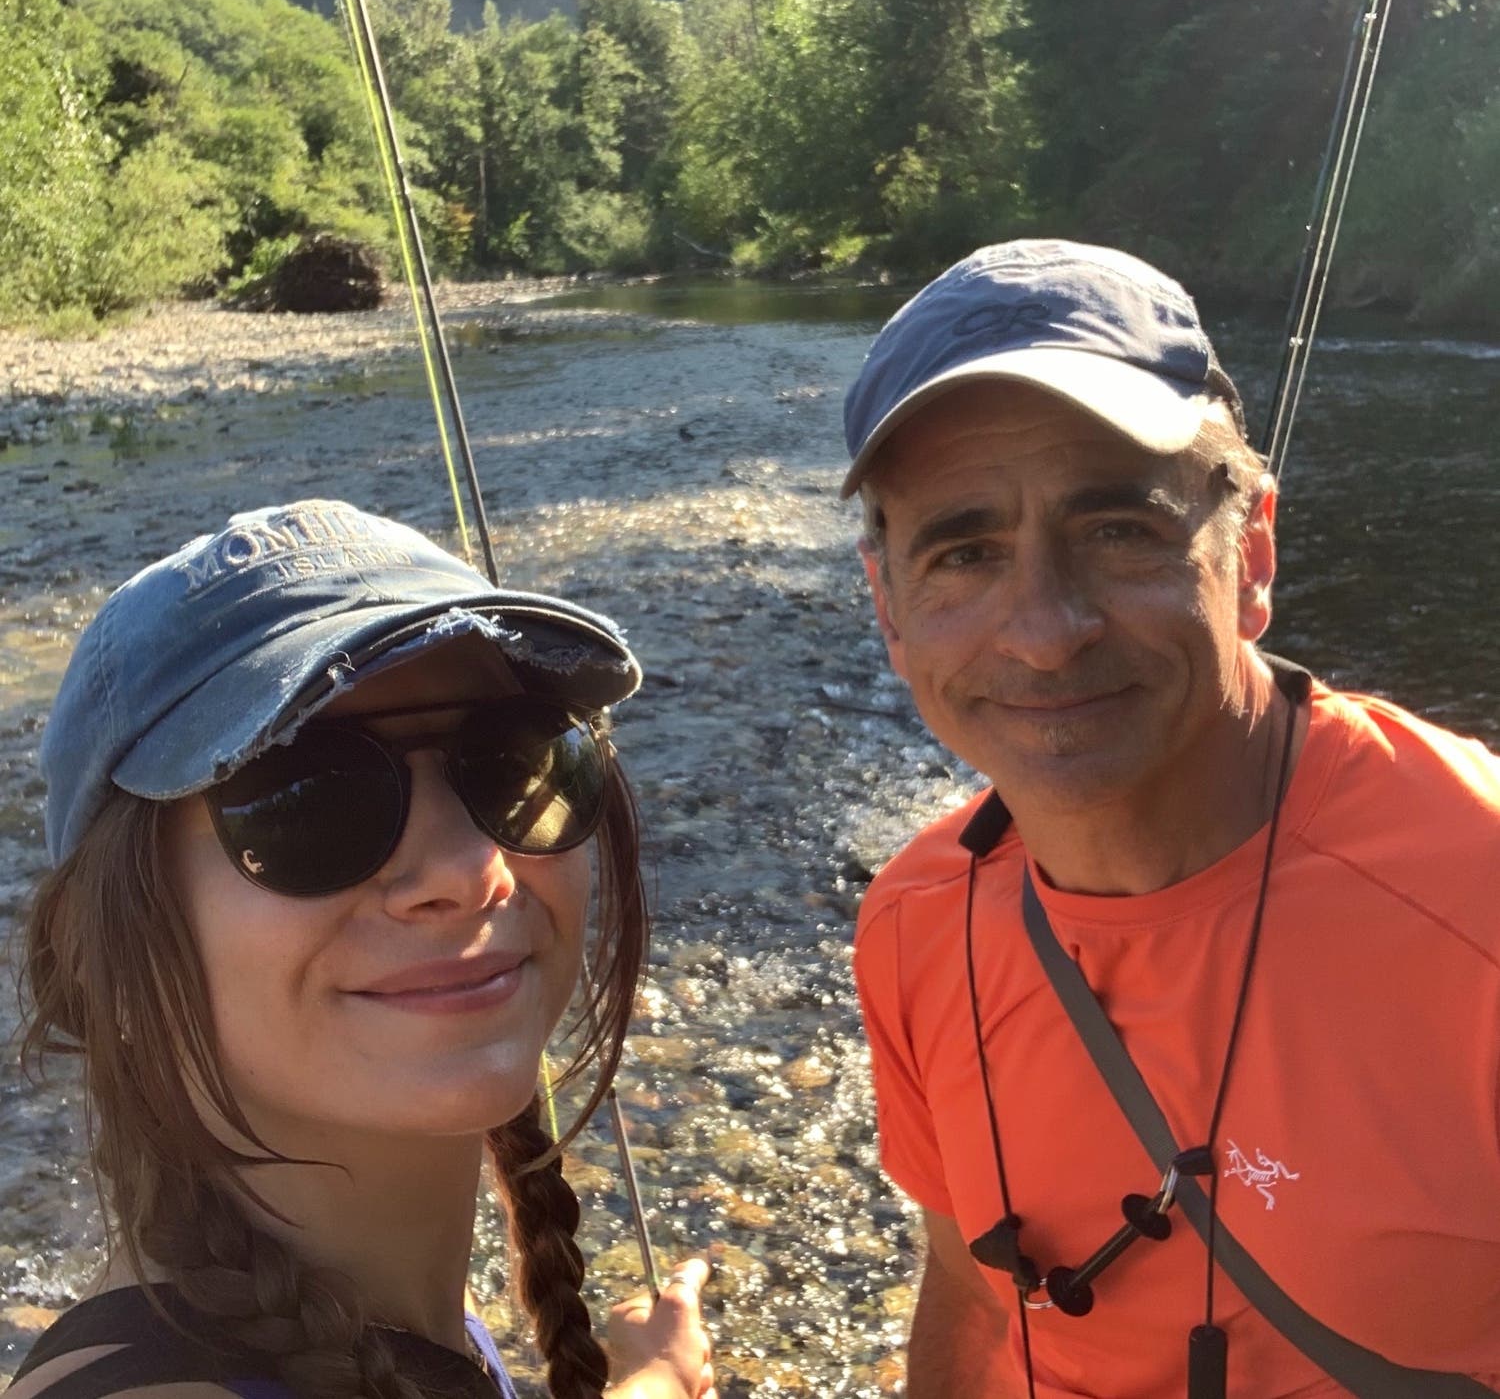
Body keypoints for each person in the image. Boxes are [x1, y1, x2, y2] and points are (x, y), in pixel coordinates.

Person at [840, 241, 1500, 1397]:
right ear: (887, 606)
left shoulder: (1473, 895)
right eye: (965, 553)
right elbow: (972, 1294)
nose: (1045, 630)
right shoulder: (914, 924)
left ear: (1251, 551)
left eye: (1120, 532)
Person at [8, 499, 715, 1399]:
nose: (469, 871)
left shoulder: (371, 1328)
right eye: (308, 798)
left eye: (520, 760)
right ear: (92, 945)